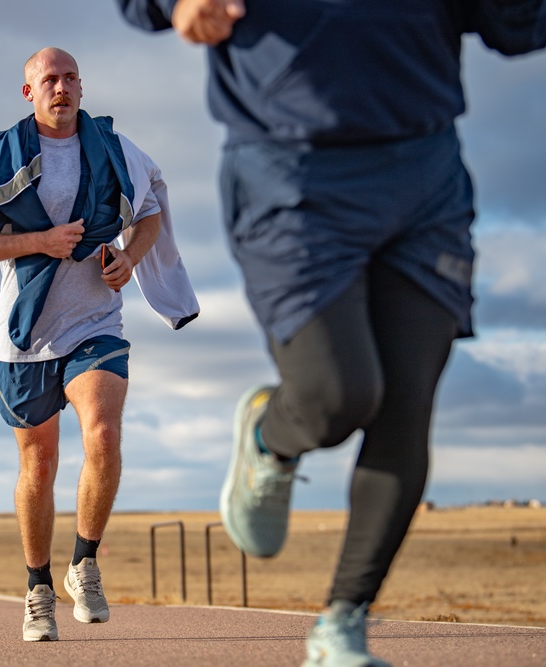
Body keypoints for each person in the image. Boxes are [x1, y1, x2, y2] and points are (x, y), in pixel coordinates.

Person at [115, 1, 546, 665]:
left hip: (424, 172)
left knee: (407, 405)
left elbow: (515, 23)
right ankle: (271, 435)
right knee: (340, 394)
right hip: (290, 172)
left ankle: (343, 622)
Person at [0, 47, 198, 642]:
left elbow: (151, 209)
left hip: (95, 322)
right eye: (49, 79)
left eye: (70, 77)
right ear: (28, 92)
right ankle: (37, 588)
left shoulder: (114, 147)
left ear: (82, 86)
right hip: (26, 335)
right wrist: (40, 241)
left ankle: (83, 562)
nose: (62, 87)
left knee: (103, 432)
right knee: (39, 462)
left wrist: (130, 258)